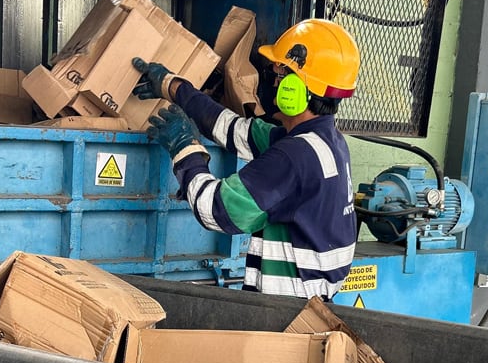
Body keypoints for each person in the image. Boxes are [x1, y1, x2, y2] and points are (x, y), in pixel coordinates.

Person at [141, 18, 360, 299]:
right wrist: (173, 87)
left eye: (278, 75)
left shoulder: (294, 157)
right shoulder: (326, 142)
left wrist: (184, 148)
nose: (269, 80)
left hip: (284, 313)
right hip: (311, 302)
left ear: (296, 90)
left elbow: (216, 210)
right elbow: (232, 129)